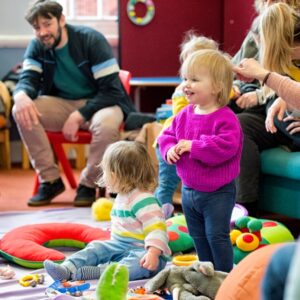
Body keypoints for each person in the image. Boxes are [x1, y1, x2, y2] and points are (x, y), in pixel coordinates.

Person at [12, 0, 135, 207]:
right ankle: (50, 180)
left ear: (62, 20)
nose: (42, 32)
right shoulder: (37, 45)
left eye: (47, 24)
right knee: (21, 109)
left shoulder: (91, 40)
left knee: (106, 126)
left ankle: (89, 184)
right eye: (36, 27)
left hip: (101, 102)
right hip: (61, 103)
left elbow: (112, 91)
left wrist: (79, 115)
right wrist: (20, 95)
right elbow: (28, 80)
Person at [158, 49, 243, 272]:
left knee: (216, 236)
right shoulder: (184, 114)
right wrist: (169, 150)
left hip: (218, 193)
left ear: (216, 87)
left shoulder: (226, 118)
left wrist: (193, 146)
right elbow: (167, 136)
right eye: (185, 78)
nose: (186, 84)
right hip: (189, 191)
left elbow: (226, 146)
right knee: (197, 236)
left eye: (194, 79)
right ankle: (206, 271)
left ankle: (223, 276)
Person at [44, 140, 171, 281]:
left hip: (145, 254)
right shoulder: (122, 196)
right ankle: (67, 268)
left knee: (136, 264)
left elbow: (157, 229)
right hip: (118, 245)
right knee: (96, 247)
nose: (103, 176)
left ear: (116, 175)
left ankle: (100, 272)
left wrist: (153, 253)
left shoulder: (144, 200)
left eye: (105, 172)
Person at [235, 2, 300, 216]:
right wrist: (284, 98)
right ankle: (246, 210)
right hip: (278, 118)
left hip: (291, 124)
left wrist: (266, 76)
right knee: (240, 125)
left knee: (281, 112)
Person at [155, 32, 218, 209]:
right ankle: (159, 215)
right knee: (168, 182)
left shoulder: (217, 88)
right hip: (171, 142)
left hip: (191, 143)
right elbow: (185, 116)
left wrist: (234, 91)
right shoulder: (183, 90)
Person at [234, 58, 300, 132]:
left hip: (271, 101)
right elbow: (232, 73)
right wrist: (235, 86)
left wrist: (261, 96)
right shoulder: (249, 48)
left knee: (275, 110)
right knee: (238, 123)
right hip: (262, 100)